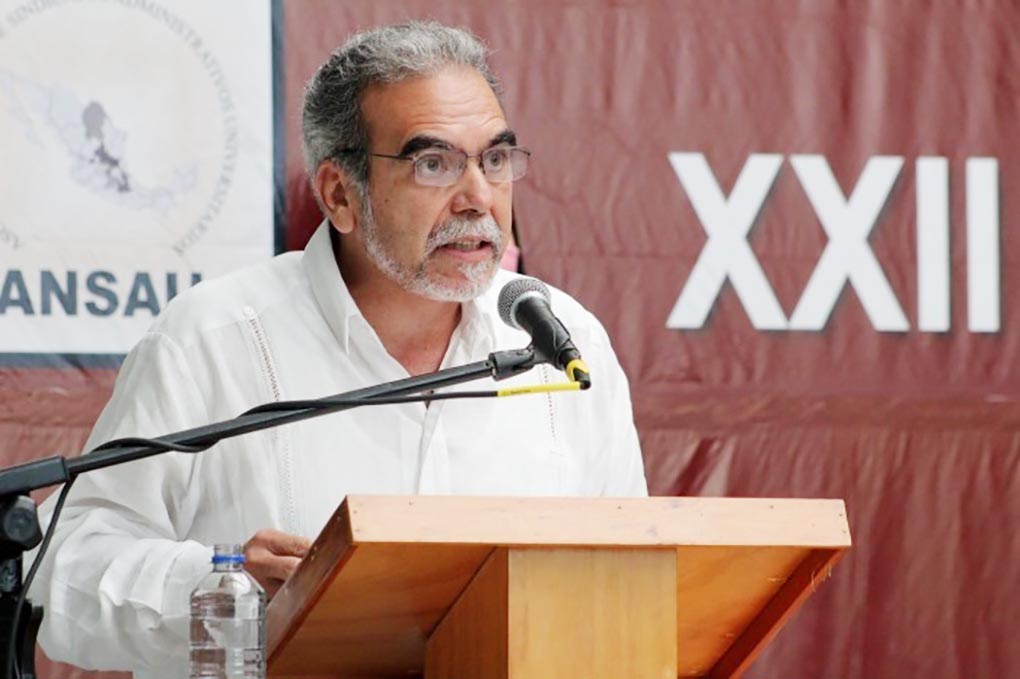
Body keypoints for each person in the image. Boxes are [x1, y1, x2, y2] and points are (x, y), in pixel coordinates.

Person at [30, 21, 647, 678]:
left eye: (494, 160)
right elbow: (59, 568)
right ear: (339, 194)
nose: (478, 198)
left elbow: (632, 583)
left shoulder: (561, 341)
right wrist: (217, 589)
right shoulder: (212, 340)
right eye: (434, 164)